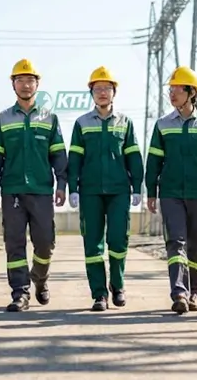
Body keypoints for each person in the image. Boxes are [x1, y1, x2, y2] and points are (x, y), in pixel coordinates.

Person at [143, 66, 197, 315]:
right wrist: (151, 190)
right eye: (170, 90)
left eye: (177, 89)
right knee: (175, 242)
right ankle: (179, 292)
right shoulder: (162, 125)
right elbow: (154, 161)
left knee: (195, 247)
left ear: (191, 93)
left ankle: (192, 293)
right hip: (170, 192)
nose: (172, 94)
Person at [0, 58, 69, 312]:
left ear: (37, 85)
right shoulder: (2, 119)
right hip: (12, 190)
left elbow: (58, 155)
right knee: (14, 243)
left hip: (42, 190)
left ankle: (40, 279)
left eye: (30, 80)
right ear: (13, 84)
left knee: (45, 242)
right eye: (20, 80)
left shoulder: (50, 119)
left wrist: (61, 184)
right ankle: (20, 293)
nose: (25, 85)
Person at [66, 66, 144, 311]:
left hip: (119, 190)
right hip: (90, 191)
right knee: (93, 244)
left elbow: (133, 156)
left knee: (118, 240)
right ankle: (99, 294)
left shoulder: (125, 123)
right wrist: (73, 188)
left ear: (114, 92)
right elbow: (75, 158)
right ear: (91, 92)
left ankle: (118, 286)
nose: (102, 93)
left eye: (106, 88)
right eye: (97, 88)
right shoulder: (82, 124)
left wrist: (137, 187)